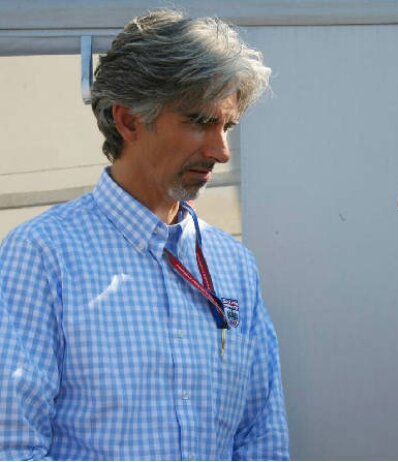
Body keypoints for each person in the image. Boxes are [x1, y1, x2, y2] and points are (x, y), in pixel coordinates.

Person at [0, 8, 289, 460]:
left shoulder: (234, 265)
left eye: (226, 125)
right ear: (129, 121)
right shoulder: (41, 254)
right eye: (198, 121)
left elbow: (261, 439)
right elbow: (13, 444)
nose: (221, 151)